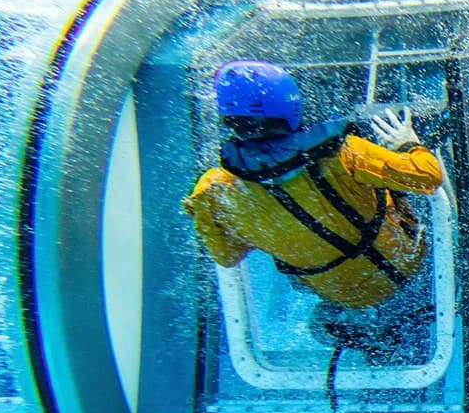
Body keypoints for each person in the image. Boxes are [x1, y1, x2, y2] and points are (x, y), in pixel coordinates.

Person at [183, 59, 443, 363]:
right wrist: (408, 143)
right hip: (408, 264)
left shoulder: (215, 190)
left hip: (337, 293)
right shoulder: (344, 152)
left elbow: (227, 255)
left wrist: (270, 223)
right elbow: (429, 177)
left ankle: (379, 338)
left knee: (319, 319)